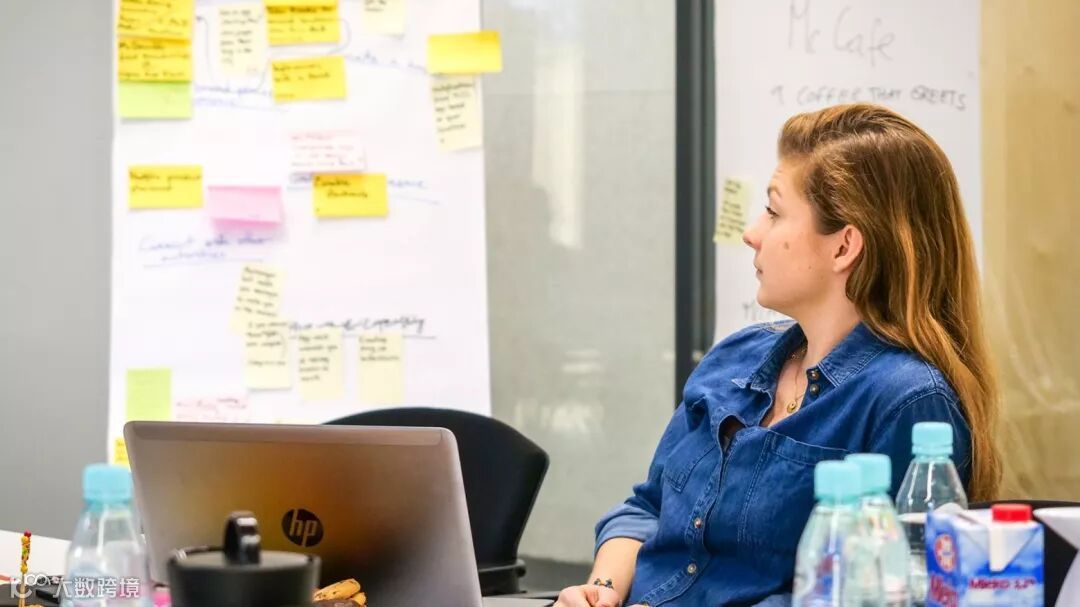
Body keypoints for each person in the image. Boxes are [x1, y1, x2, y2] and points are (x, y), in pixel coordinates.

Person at [553, 103, 1000, 607]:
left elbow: (883, 594)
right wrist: (602, 591)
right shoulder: (735, 358)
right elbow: (648, 508)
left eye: (773, 212)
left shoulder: (906, 400)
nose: (751, 233)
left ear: (844, 247)